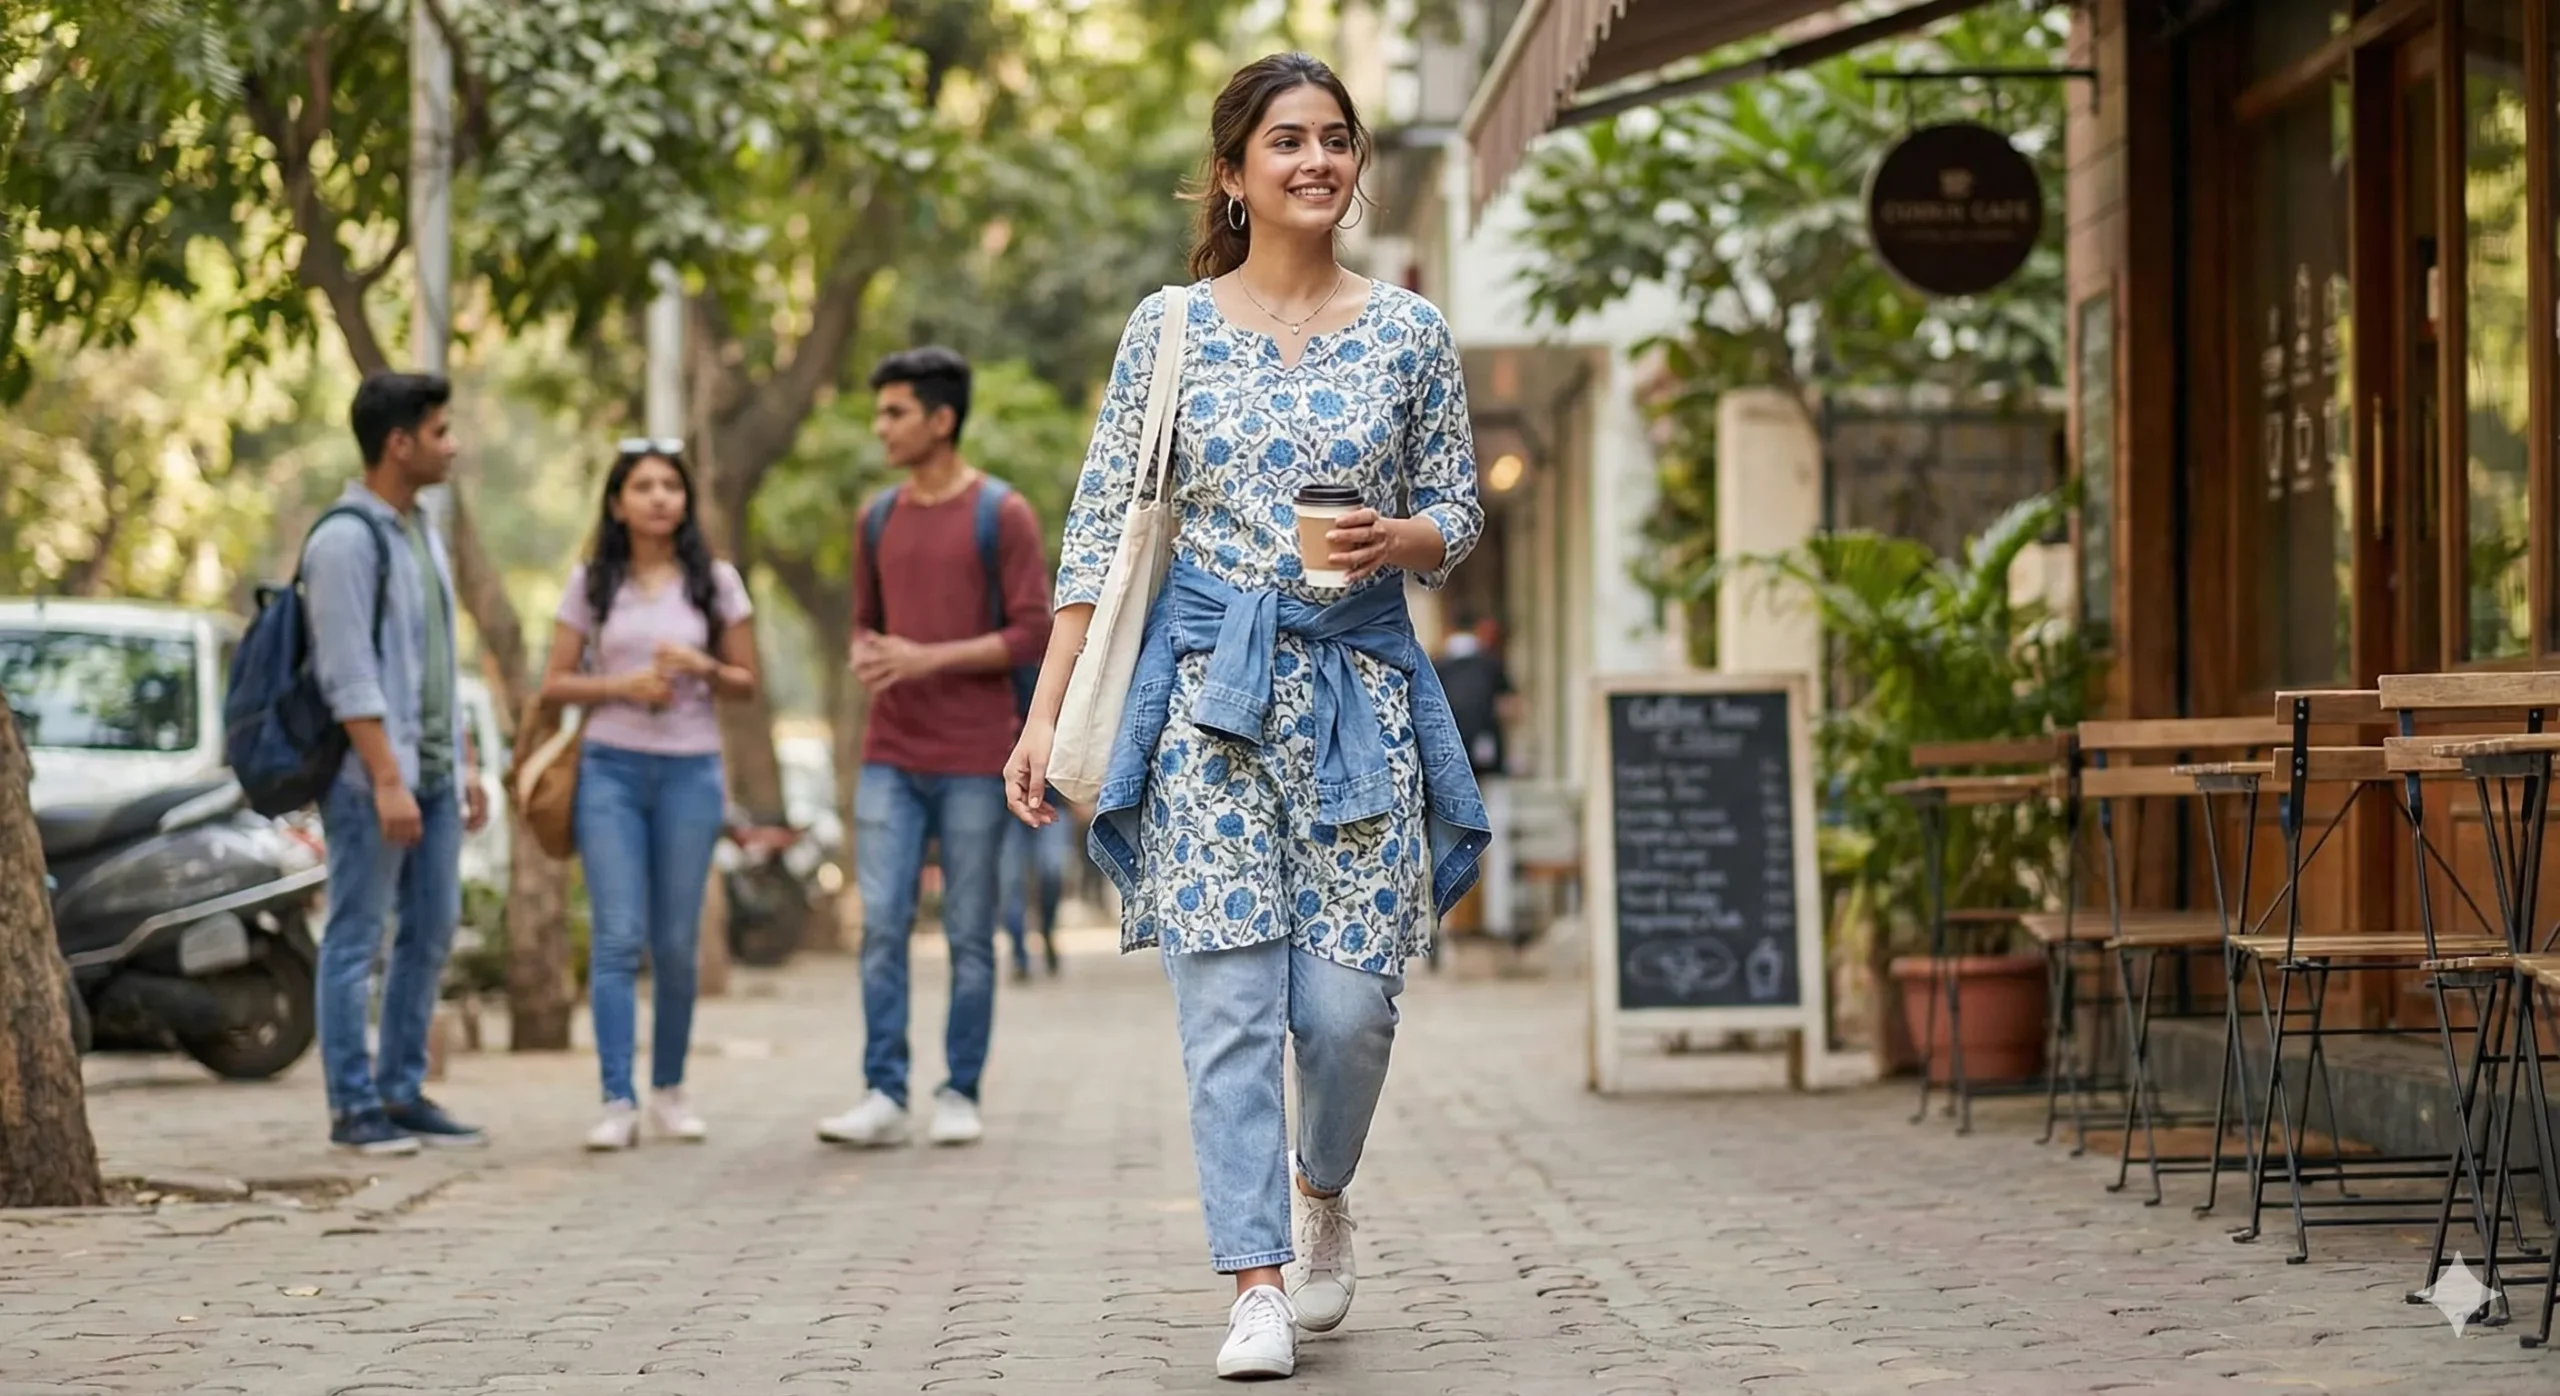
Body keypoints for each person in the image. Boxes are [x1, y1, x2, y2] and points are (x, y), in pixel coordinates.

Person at [1002, 53, 1488, 1382]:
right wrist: (1044, 717)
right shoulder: (1169, 330)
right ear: (1233, 172)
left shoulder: (1409, 332)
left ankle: (1322, 1188)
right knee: (1224, 1010)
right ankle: (1255, 1281)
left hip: (1361, 702)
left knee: (1344, 1015)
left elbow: (1463, 506)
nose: (1318, 161)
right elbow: (1100, 531)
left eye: (1337, 139)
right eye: (1287, 141)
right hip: (1208, 708)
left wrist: (1404, 539)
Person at [819, 347, 1054, 1150]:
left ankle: (960, 1088)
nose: (880, 427)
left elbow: (1033, 632)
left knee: (967, 933)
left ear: (941, 419)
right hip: (889, 752)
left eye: (895, 412)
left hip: (971, 755)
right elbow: (865, 621)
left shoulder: (1003, 514)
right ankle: (883, 1091)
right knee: (882, 925)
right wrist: (867, 653)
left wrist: (926, 657)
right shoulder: (876, 518)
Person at [539, 441, 760, 1151]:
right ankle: (615, 1099)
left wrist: (704, 665)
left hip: (691, 771)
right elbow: (553, 684)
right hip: (610, 769)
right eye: (644, 486)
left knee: (675, 942)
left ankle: (668, 1090)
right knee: (616, 936)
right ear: (616, 503)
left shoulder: (716, 582)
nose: (661, 497)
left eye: (671, 485)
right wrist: (619, 686)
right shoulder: (591, 583)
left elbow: (748, 682)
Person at [306, 371, 491, 1155]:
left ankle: (401, 1089)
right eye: (441, 432)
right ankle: (353, 1107)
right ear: (399, 442)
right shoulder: (345, 541)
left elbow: (438, 662)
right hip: (370, 781)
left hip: (436, 773)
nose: (453, 446)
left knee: (431, 929)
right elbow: (347, 674)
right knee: (358, 937)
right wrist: (387, 778)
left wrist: (467, 762)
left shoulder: (421, 531)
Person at [1433, 611, 1522, 940]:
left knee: (1447, 848)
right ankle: (1500, 922)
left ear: (1449, 630)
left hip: (1448, 773)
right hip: (1490, 770)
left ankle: (1446, 925)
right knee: (1497, 846)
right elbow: (1512, 708)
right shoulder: (1490, 663)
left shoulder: (1437, 666)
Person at [999, 788, 1070, 980]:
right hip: (1005, 809)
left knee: (1052, 875)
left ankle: (1047, 931)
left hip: (1052, 801)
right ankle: (1019, 955)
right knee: (1011, 885)